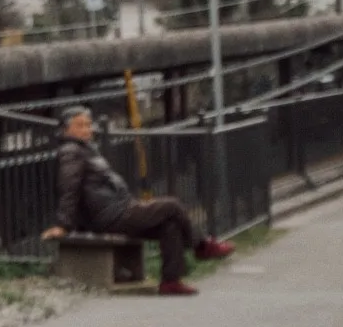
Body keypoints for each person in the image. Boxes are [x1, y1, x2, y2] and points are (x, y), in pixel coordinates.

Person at [42, 104, 234, 297]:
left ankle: (171, 281)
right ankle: (203, 246)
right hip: (109, 216)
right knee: (171, 206)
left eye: (88, 124)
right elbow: (69, 188)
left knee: (170, 225)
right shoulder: (71, 151)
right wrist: (63, 224)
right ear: (66, 129)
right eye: (80, 125)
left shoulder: (86, 149)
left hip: (119, 209)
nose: (86, 129)